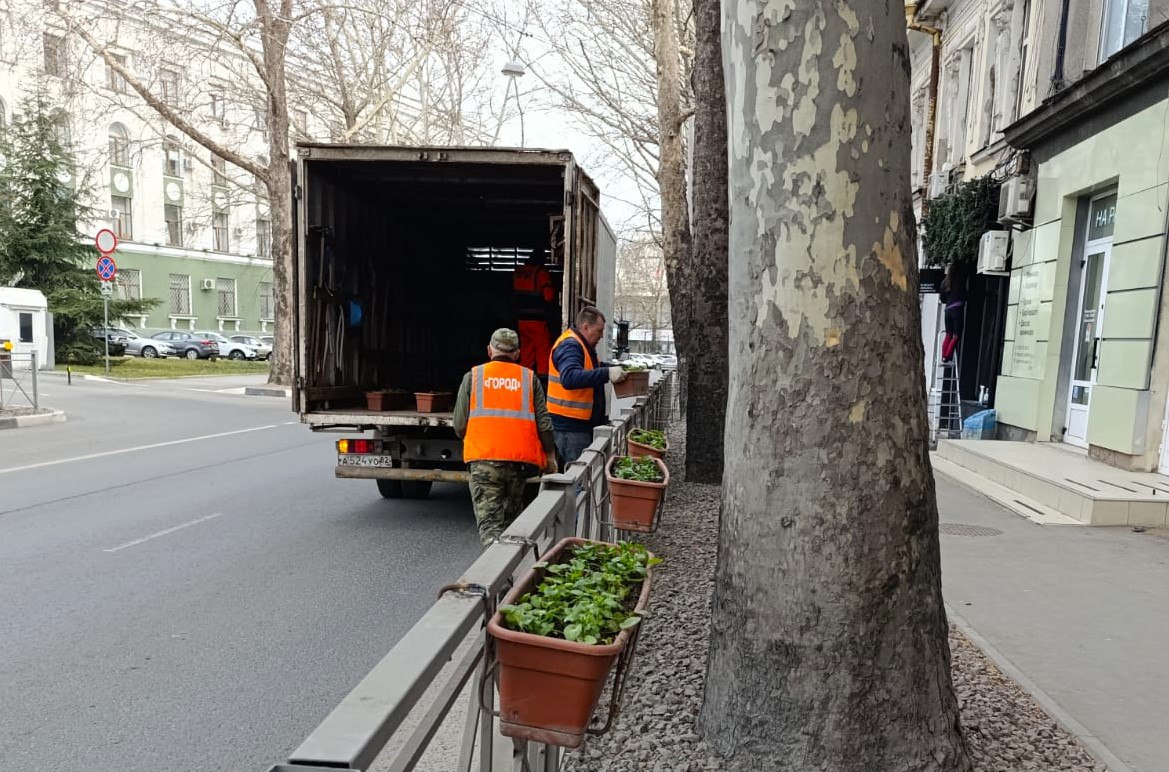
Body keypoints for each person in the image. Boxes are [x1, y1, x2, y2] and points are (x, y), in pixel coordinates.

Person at [454, 328, 558, 547]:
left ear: (489, 350)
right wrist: (550, 456)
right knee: (511, 529)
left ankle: (495, 577)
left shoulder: (473, 377)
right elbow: (544, 425)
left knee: (490, 530)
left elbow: (460, 424)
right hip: (517, 465)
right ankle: (511, 577)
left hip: (484, 463)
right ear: (518, 353)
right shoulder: (529, 379)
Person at [547, 306, 627, 467]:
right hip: (571, 425)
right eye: (599, 331)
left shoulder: (580, 346)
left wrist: (611, 368)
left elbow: (591, 368)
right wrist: (607, 373)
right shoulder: (571, 346)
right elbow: (569, 378)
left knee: (580, 474)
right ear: (586, 327)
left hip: (575, 424)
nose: (601, 336)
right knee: (582, 477)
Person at [512, 250, 558, 386]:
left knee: (526, 352)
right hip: (537, 321)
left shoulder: (518, 272)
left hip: (521, 321)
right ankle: (543, 383)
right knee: (543, 351)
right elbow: (548, 296)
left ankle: (524, 382)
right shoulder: (540, 273)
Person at [939, 262, 967, 363]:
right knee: (956, 335)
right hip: (957, 310)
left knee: (948, 334)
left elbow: (942, 299)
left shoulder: (944, 282)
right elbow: (965, 294)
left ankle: (943, 355)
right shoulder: (959, 281)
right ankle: (947, 356)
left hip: (947, 310)